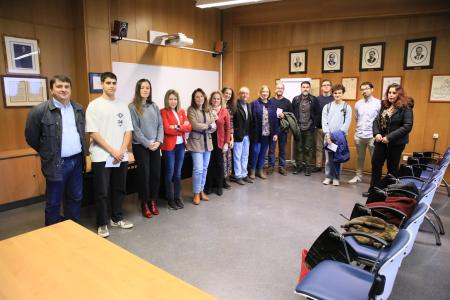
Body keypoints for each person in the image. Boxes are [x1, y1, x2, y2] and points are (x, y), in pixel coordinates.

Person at [25, 75, 86, 226]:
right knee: (54, 201)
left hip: (77, 161)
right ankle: (52, 234)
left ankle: (73, 228)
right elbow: (31, 137)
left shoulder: (78, 108)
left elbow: (81, 133)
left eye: (66, 86)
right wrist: (48, 153)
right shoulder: (40, 111)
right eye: (59, 86)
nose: (63, 89)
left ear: (70, 89)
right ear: (51, 90)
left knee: (76, 197)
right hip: (56, 163)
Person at [85, 72, 134, 238]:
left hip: (121, 156)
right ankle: (102, 223)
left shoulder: (122, 105)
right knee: (102, 192)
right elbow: (93, 133)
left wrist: (121, 150)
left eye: (114, 82)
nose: (112, 85)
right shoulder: (94, 105)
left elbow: (128, 130)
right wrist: (113, 151)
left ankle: (117, 218)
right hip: (102, 156)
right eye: (108, 83)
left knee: (119, 189)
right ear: (102, 84)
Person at [129, 79, 163, 218]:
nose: (145, 90)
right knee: (144, 175)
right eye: (142, 87)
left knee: (155, 174)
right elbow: (135, 129)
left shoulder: (154, 106)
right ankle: (144, 203)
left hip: (155, 145)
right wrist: (147, 143)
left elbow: (160, 125)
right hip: (140, 146)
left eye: (147, 88)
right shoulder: (132, 107)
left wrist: (158, 141)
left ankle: (153, 201)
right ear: (138, 89)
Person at [369, 83, 413, 191]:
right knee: (376, 164)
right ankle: (374, 190)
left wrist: (389, 137)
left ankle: (390, 191)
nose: (391, 95)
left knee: (392, 168)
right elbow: (376, 121)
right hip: (381, 141)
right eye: (389, 92)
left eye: (394, 93)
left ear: (400, 94)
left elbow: (407, 126)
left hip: (396, 143)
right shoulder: (385, 105)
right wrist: (377, 133)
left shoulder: (406, 107)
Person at [160, 89, 191, 210]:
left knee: (178, 173)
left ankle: (178, 196)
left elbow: (189, 127)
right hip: (169, 147)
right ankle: (170, 198)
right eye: (171, 99)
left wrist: (177, 126)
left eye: (175, 99)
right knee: (169, 173)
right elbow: (167, 129)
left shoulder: (182, 111)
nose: (173, 101)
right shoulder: (163, 112)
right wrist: (181, 127)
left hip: (180, 146)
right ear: (167, 100)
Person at [187, 88, 216, 205]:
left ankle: (201, 191)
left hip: (207, 143)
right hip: (196, 143)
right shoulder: (191, 110)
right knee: (198, 169)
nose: (200, 99)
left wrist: (209, 126)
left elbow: (214, 125)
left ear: (204, 98)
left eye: (202, 96)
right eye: (197, 97)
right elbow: (194, 125)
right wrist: (208, 126)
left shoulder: (208, 109)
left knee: (204, 169)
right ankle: (195, 193)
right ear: (194, 98)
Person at [348, 82, 381, 184]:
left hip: (372, 136)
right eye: (362, 89)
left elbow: (380, 120)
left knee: (375, 159)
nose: (364, 91)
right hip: (359, 136)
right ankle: (358, 176)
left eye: (366, 88)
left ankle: (375, 180)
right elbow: (357, 119)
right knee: (360, 158)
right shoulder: (358, 104)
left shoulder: (378, 103)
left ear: (372, 89)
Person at [322, 84, 352, 186]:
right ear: (332, 93)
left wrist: (336, 135)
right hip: (328, 137)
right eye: (335, 93)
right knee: (328, 160)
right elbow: (324, 121)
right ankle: (328, 177)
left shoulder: (347, 107)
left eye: (339, 93)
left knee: (338, 159)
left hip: (340, 137)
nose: (337, 95)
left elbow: (346, 123)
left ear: (342, 94)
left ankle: (336, 178)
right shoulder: (327, 107)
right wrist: (327, 135)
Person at [249, 85, 278, 180]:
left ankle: (260, 170)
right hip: (257, 134)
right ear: (260, 93)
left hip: (268, 134)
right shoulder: (254, 103)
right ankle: (252, 170)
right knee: (255, 152)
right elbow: (251, 119)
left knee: (263, 153)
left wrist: (275, 133)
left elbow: (274, 120)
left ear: (269, 93)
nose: (265, 93)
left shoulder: (272, 104)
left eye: (267, 92)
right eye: (263, 91)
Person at [205, 91, 231, 196]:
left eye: (218, 99)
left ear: (221, 100)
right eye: (214, 98)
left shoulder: (225, 112)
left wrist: (226, 142)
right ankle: (209, 186)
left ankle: (219, 186)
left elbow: (228, 128)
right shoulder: (207, 111)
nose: (216, 100)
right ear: (211, 100)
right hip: (209, 141)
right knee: (209, 164)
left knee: (219, 165)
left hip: (220, 142)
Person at [292, 81, 320, 176]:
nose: (305, 89)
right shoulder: (295, 99)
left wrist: (314, 124)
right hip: (298, 128)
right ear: (301, 88)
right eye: (303, 87)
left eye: (307, 87)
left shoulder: (314, 99)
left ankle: (308, 167)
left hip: (309, 128)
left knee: (308, 148)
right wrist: (294, 125)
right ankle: (299, 166)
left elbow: (317, 113)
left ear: (309, 88)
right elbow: (292, 113)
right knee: (299, 148)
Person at [268, 82, 292, 176]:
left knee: (282, 149)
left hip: (283, 129)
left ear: (283, 90)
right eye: (278, 88)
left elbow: (291, 116)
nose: (279, 89)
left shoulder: (287, 102)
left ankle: (282, 167)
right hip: (273, 129)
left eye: (281, 88)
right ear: (275, 89)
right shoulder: (270, 101)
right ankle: (271, 166)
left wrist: (284, 115)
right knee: (272, 149)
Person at [232, 87, 253, 185]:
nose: (245, 95)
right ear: (239, 94)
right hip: (238, 135)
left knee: (245, 155)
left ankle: (244, 174)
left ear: (249, 95)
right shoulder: (235, 105)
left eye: (247, 93)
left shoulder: (249, 105)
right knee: (237, 156)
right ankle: (238, 175)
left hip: (247, 135)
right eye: (243, 93)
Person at [314, 80, 334, 172]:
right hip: (319, 128)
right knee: (318, 147)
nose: (326, 87)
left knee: (330, 148)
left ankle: (329, 167)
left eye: (328, 85)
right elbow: (314, 113)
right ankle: (318, 165)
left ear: (331, 87)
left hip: (330, 129)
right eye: (324, 85)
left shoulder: (334, 99)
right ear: (321, 87)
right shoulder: (317, 99)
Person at [222, 87, 234, 188]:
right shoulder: (217, 106)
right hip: (218, 137)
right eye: (226, 93)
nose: (228, 95)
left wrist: (231, 138)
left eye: (230, 94)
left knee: (227, 158)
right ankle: (219, 179)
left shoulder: (230, 107)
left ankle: (225, 179)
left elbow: (231, 124)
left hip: (228, 136)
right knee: (221, 159)